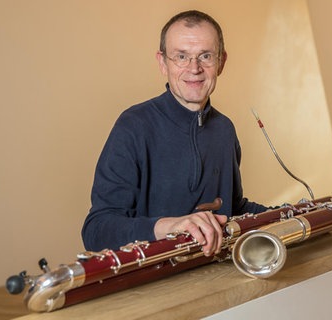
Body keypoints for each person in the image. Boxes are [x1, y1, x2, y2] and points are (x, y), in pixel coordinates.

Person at [81, 10, 269, 256]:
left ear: (221, 62)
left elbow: (233, 206)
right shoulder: (133, 126)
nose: (194, 68)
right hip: (154, 285)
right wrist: (171, 225)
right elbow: (96, 231)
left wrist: (298, 212)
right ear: (163, 62)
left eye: (205, 56)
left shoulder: (224, 129)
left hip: (217, 276)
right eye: (181, 56)